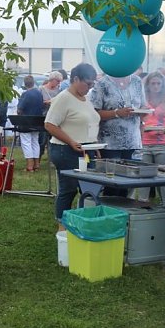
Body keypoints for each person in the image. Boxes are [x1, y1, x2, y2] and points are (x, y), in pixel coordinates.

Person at [44, 63, 101, 226]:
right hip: (65, 150)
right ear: (76, 79)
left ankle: (84, 222)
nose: (90, 88)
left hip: (85, 150)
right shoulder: (64, 98)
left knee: (89, 189)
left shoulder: (85, 99)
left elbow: (88, 123)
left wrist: (94, 146)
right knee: (68, 189)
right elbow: (49, 124)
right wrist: (70, 141)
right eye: (88, 83)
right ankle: (62, 227)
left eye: (92, 84)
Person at [135, 72, 165, 207]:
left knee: (164, 176)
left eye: (158, 83)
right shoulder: (143, 98)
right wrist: (142, 125)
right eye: (153, 83)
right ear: (148, 84)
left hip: (162, 143)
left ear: (163, 84)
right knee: (144, 177)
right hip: (145, 143)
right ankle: (142, 206)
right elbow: (138, 117)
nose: (156, 86)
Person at [90, 71, 147, 165]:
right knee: (112, 175)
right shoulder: (102, 83)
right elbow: (94, 113)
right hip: (110, 144)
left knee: (132, 176)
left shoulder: (137, 81)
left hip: (133, 142)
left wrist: (143, 112)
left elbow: (143, 105)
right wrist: (116, 113)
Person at [17, 75, 44, 172]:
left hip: (26, 122)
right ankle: (37, 164)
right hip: (37, 121)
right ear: (33, 82)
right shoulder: (39, 93)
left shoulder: (25, 94)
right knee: (35, 142)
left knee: (26, 143)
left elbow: (20, 109)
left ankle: (29, 165)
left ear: (25, 84)